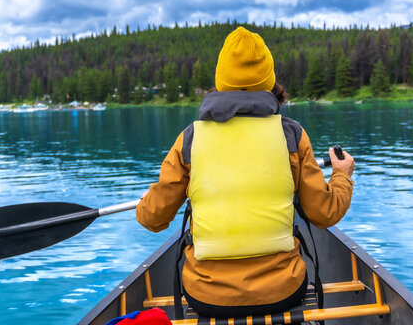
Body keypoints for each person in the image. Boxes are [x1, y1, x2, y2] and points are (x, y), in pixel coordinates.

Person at [136, 26, 355, 318]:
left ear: (221, 80)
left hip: (206, 296)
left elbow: (152, 218)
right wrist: (341, 174)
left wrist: (150, 199)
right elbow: (324, 213)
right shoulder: (292, 135)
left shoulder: (189, 139)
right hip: (283, 292)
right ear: (269, 81)